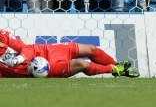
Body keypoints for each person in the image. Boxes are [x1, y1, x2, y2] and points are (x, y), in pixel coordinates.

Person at [0, 29, 138, 78]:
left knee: (91, 49)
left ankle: (118, 66)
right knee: (82, 64)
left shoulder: (3, 36)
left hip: (45, 51)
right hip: (43, 68)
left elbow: (27, 48)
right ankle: (115, 70)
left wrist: (19, 58)